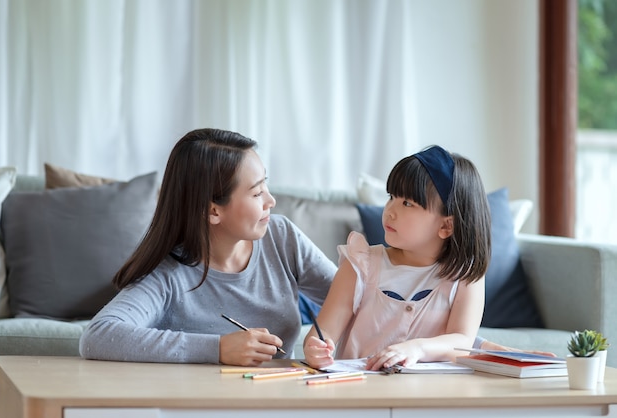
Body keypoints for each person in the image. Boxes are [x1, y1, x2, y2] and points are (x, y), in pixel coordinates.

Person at [79, 128, 337, 366]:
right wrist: (218, 348)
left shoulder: (282, 236)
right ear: (212, 210)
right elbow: (98, 336)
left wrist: (319, 336)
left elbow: (353, 297)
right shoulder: (168, 274)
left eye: (265, 185)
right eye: (257, 193)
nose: (271, 200)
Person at [303, 145, 493, 371]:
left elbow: (462, 340)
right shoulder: (360, 264)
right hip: (358, 390)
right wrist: (315, 349)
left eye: (407, 203)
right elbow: (321, 335)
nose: (390, 210)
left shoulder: (465, 275)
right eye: (391, 196)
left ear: (446, 225)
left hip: (428, 393)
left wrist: (416, 348)